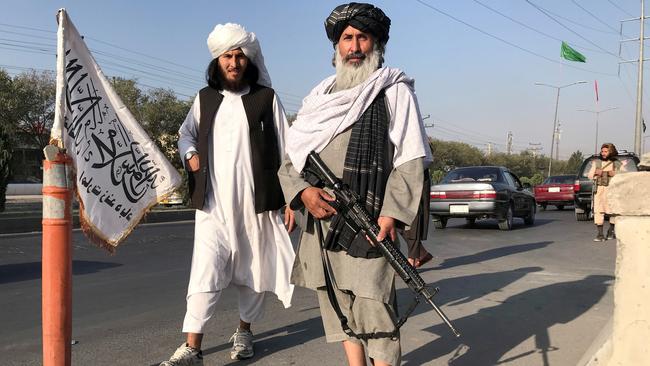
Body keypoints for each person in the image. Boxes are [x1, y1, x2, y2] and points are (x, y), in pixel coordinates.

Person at [278, 3, 432, 365]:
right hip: (322, 220)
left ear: (376, 45)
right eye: (347, 38)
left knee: (374, 308)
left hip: (369, 221)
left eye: (363, 37)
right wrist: (302, 192)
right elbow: (290, 159)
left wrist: (392, 214)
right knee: (337, 307)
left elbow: (410, 160)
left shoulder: (393, 91)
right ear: (336, 47)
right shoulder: (319, 99)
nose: (354, 46)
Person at [161, 23, 295, 366]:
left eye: (239, 56)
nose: (233, 62)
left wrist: (292, 198)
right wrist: (190, 154)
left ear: (248, 60)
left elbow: (288, 147)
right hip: (212, 206)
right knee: (204, 273)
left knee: (253, 272)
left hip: (257, 205)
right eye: (227, 56)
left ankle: (244, 331)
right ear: (217, 62)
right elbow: (185, 134)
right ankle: (192, 348)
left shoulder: (266, 98)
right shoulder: (204, 99)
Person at [588, 143, 622, 242]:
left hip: (612, 190)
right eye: (602, 151)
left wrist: (615, 173)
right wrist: (595, 173)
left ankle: (611, 231)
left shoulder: (616, 163)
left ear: (610, 151)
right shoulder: (597, 163)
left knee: (613, 211)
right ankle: (600, 234)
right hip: (599, 190)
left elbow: (624, 174)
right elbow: (590, 176)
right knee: (598, 211)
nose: (603, 153)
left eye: (605, 151)